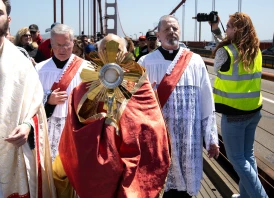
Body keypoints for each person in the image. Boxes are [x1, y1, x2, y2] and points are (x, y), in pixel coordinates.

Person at [52, 33, 171, 198]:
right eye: (105, 49)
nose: (112, 54)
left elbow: (152, 123)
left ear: (126, 52)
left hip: (132, 153)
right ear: (98, 53)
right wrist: (104, 124)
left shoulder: (139, 82)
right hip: (96, 158)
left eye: (117, 49)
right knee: (58, 170)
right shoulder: (84, 86)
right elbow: (75, 127)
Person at [0, 0, 56, 198]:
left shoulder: (22, 63)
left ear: (8, 19)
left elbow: (36, 109)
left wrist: (26, 127)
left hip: (14, 159)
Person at [138, 15, 219, 197]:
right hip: (160, 137)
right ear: (158, 35)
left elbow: (207, 99)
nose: (171, 32)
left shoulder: (196, 61)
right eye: (166, 29)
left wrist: (211, 137)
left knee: (186, 191)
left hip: (190, 137)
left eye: (175, 28)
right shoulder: (145, 63)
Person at [210, 12, 268, 198]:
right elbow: (233, 50)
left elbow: (219, 65)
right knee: (247, 155)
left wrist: (218, 36)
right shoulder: (256, 51)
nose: (226, 29)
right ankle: (245, 196)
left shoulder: (224, 51)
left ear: (236, 29)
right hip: (253, 111)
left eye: (228, 26)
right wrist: (217, 30)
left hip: (234, 114)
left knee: (236, 159)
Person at [35, 24, 87, 161]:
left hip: (75, 129)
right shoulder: (39, 69)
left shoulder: (87, 68)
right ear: (51, 43)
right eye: (57, 45)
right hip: (47, 129)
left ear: (73, 42)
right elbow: (29, 102)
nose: (61, 49)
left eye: (66, 45)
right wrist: (47, 99)